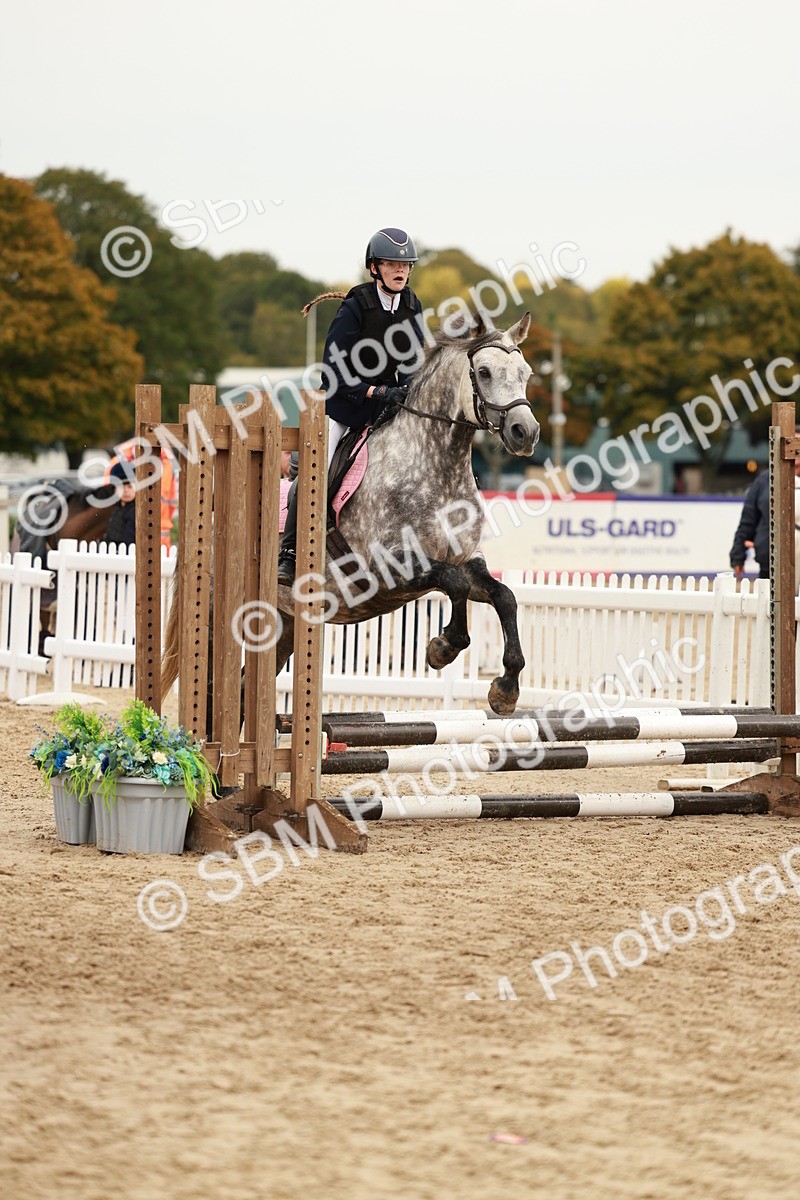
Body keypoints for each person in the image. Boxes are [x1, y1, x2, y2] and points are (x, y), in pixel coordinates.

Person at [277, 227, 426, 585]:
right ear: (374, 267)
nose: (399, 270)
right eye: (391, 263)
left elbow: (416, 358)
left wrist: (408, 386)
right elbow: (332, 371)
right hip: (347, 409)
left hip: (390, 414)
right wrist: (374, 392)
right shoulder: (356, 305)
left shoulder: (411, 304)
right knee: (317, 472)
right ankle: (290, 551)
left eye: (405, 264)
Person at [729, 456, 800, 580]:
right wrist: (738, 554)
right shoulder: (765, 479)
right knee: (769, 596)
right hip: (770, 557)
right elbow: (748, 519)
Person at [104, 461, 136, 547]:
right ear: (114, 489)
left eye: (130, 487)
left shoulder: (134, 512)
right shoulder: (116, 508)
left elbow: (129, 541)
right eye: (121, 487)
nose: (126, 491)